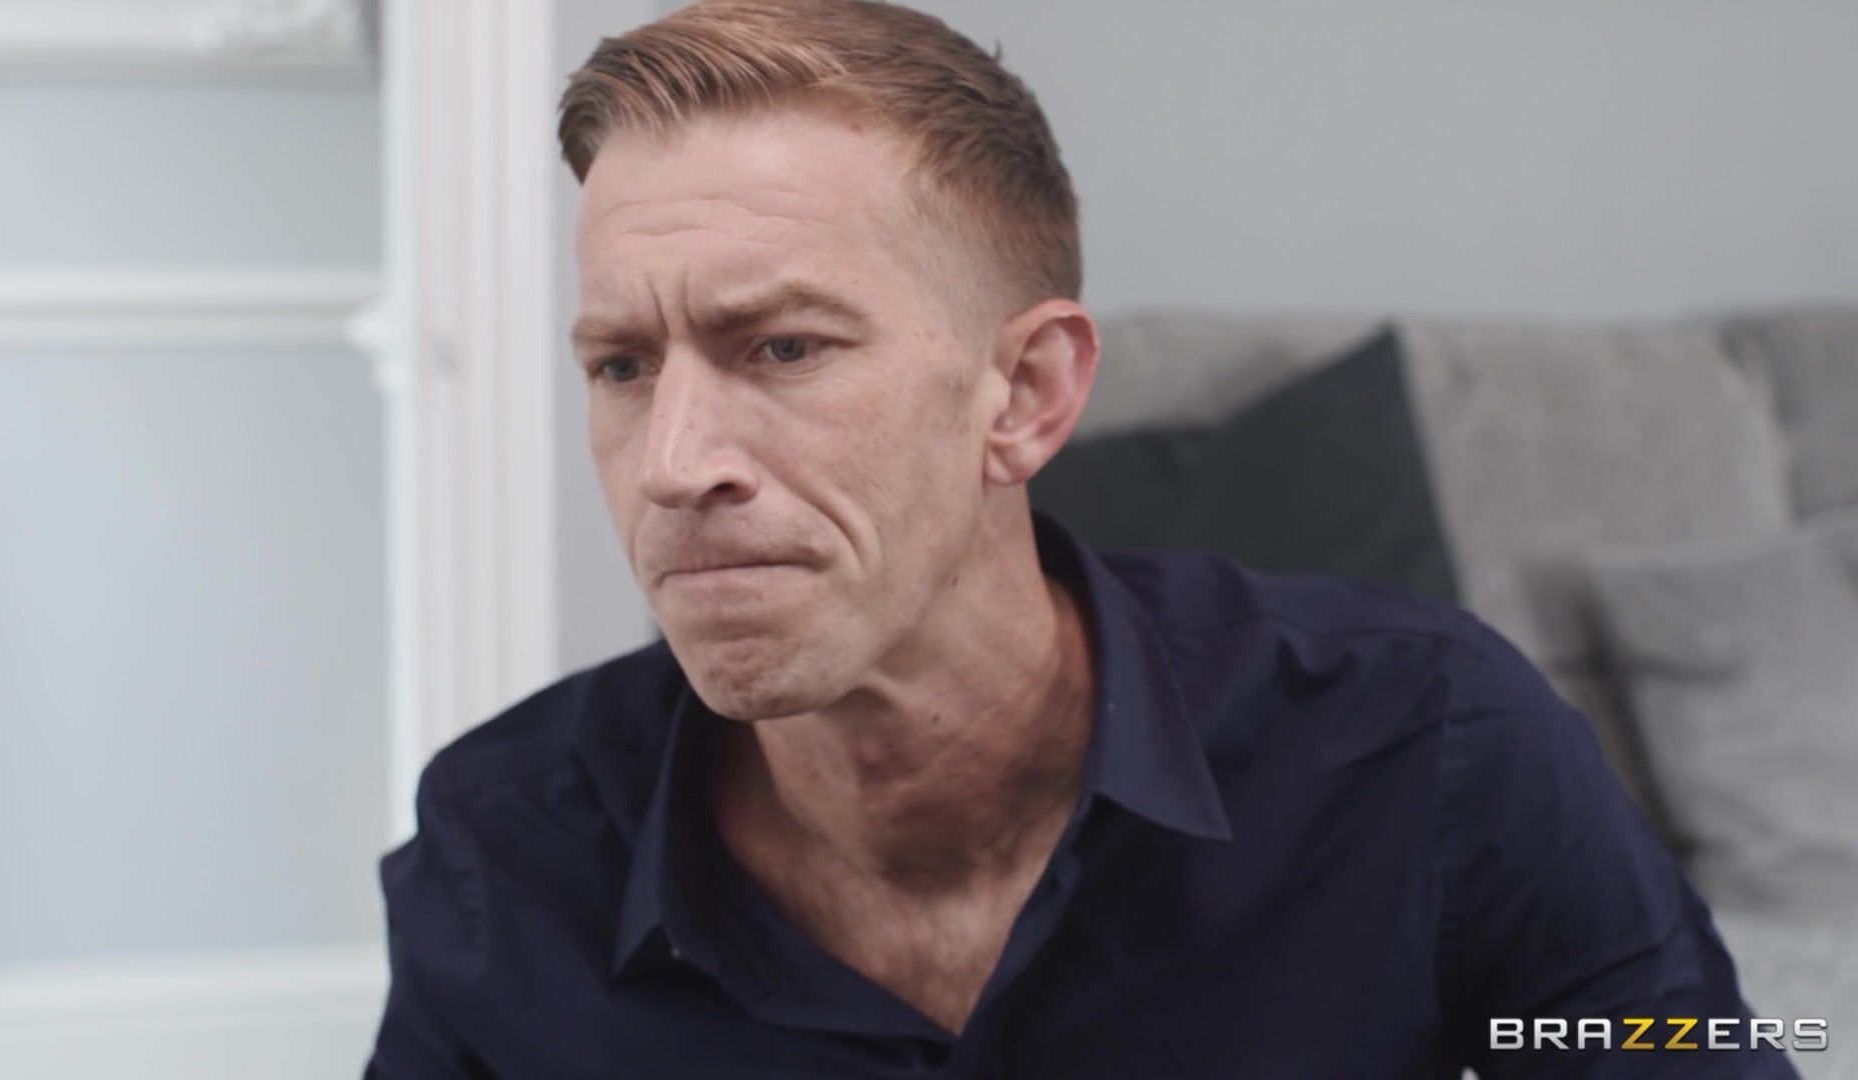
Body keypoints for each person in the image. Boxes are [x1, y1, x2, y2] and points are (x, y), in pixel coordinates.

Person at [366, 1, 1794, 1076]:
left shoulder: (1433, 745)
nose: (675, 465)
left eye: (784, 347)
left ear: (1027, 393)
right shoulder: (505, 849)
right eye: (622, 366)